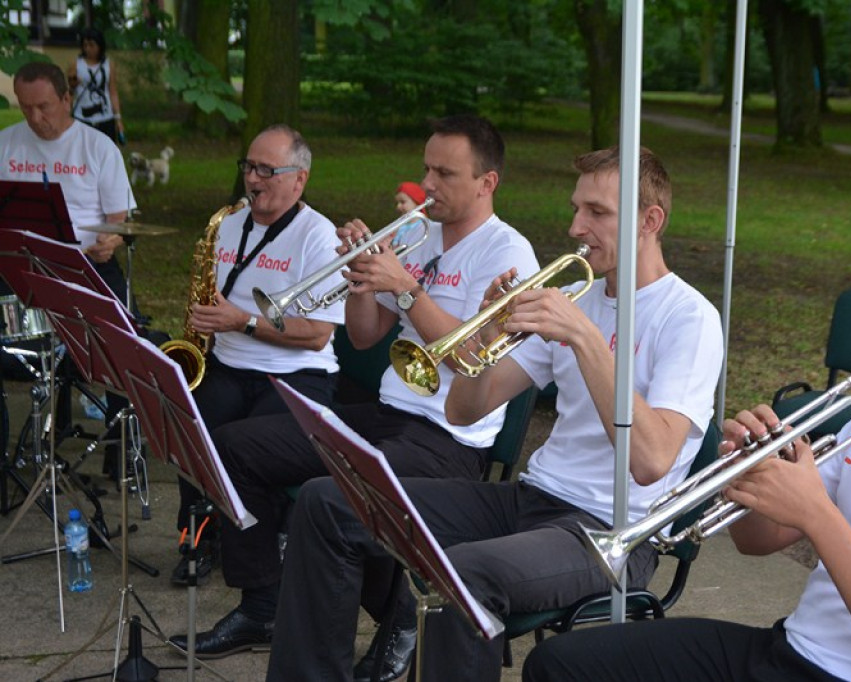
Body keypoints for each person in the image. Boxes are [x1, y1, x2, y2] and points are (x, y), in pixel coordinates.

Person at [265, 145, 724, 682]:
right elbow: (466, 409)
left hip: (612, 531)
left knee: (465, 574)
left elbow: (651, 459)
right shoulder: (578, 298)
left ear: (651, 220)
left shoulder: (689, 317)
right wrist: (487, 331)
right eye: (576, 209)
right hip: (531, 499)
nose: (577, 226)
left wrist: (585, 339)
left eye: (598, 213)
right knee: (330, 501)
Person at [522, 219, 851, 682]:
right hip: (788, 648)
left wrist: (818, 517)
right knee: (561, 664)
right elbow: (754, 541)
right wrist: (753, 472)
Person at [167, 114, 539, 661]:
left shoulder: (508, 255)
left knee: (336, 500)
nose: (427, 185)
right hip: (389, 413)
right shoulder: (417, 236)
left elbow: (473, 362)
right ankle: (262, 604)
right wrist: (360, 275)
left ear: (488, 183)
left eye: (445, 174)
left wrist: (408, 290)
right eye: (425, 170)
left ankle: (397, 620)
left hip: (449, 438)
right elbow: (365, 337)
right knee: (236, 447)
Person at [169, 124, 347, 586]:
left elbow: (317, 335)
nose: (253, 179)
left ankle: (261, 551)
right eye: (249, 167)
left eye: (267, 170)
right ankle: (198, 534)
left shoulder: (318, 237)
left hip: (296, 375)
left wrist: (242, 321)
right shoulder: (229, 224)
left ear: (299, 179)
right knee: (186, 425)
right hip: (229, 364)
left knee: (245, 444)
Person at [0, 61, 136, 465]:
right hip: (19, 270)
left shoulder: (99, 147)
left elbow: (122, 222)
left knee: (123, 342)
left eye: (44, 106)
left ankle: (121, 452)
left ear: (66, 98)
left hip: (86, 268)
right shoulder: (6, 144)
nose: (35, 118)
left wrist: (112, 239)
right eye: (25, 108)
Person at [67, 27, 124, 146]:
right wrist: (72, 85)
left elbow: (112, 91)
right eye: (85, 45)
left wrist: (118, 118)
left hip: (105, 118)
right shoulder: (76, 64)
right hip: (82, 117)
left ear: (100, 45)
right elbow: (70, 92)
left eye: (92, 45)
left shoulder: (108, 64)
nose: (88, 48)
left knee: (106, 152)